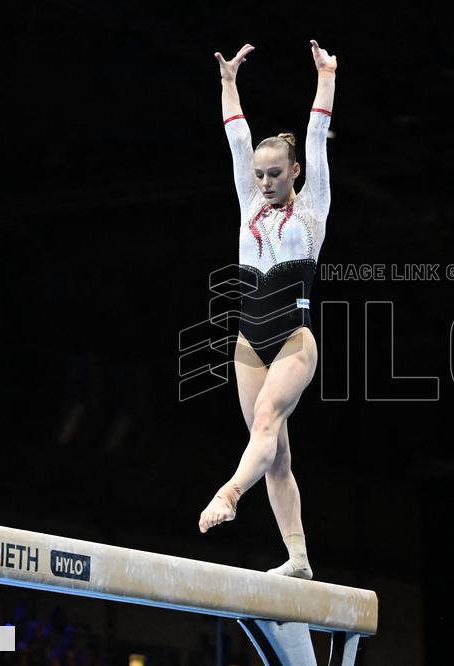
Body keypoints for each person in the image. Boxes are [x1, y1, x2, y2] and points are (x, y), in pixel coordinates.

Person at [199, 40, 337, 581]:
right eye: (259, 174)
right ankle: (299, 559)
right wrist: (229, 82)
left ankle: (229, 493)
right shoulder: (249, 204)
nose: (264, 182)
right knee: (276, 456)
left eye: (275, 174)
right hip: (248, 342)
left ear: (295, 171)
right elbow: (236, 141)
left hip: (293, 342)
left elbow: (319, 138)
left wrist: (326, 77)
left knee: (264, 419)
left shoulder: (313, 209)